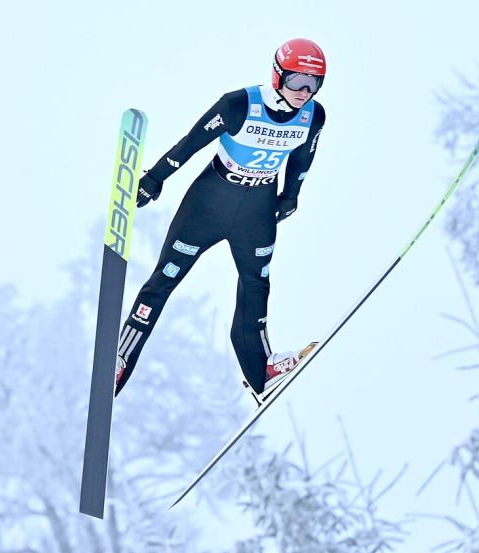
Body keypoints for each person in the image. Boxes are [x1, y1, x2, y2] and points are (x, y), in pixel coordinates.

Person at [113, 38, 326, 405]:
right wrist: (154, 179)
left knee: (256, 285)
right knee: (164, 279)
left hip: (258, 207)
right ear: (278, 77)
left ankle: (260, 370)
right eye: (296, 82)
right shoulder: (238, 105)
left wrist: (290, 196)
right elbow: (190, 143)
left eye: (314, 83)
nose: (304, 92)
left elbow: (304, 158)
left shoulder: (314, 115)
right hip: (211, 201)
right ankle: (120, 359)